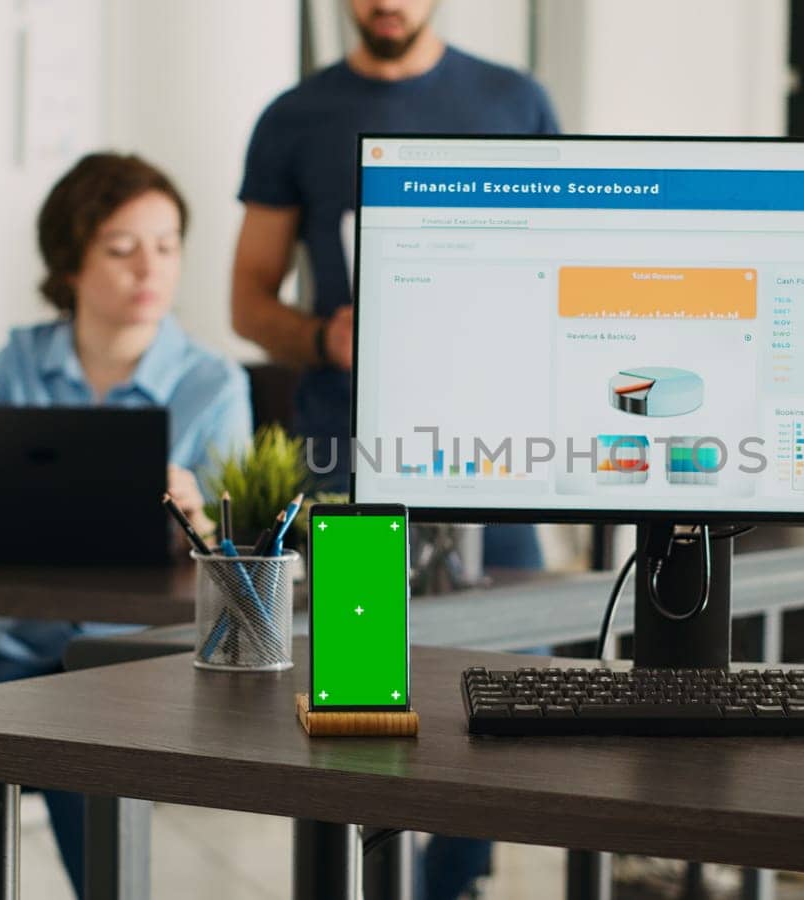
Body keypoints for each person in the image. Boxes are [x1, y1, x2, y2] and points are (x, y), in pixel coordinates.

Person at [229, 2, 557, 896]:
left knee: (509, 693)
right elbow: (249, 302)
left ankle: (454, 883)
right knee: (355, 705)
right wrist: (321, 337)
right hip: (347, 460)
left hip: (502, 457)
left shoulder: (516, 103)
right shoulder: (294, 117)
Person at [0, 152, 252, 899]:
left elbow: (239, 549)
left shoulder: (213, 384)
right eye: (121, 249)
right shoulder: (20, 363)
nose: (149, 267)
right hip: (11, 638)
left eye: (167, 244)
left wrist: (200, 522)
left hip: (132, 654)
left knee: (88, 756)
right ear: (71, 263)